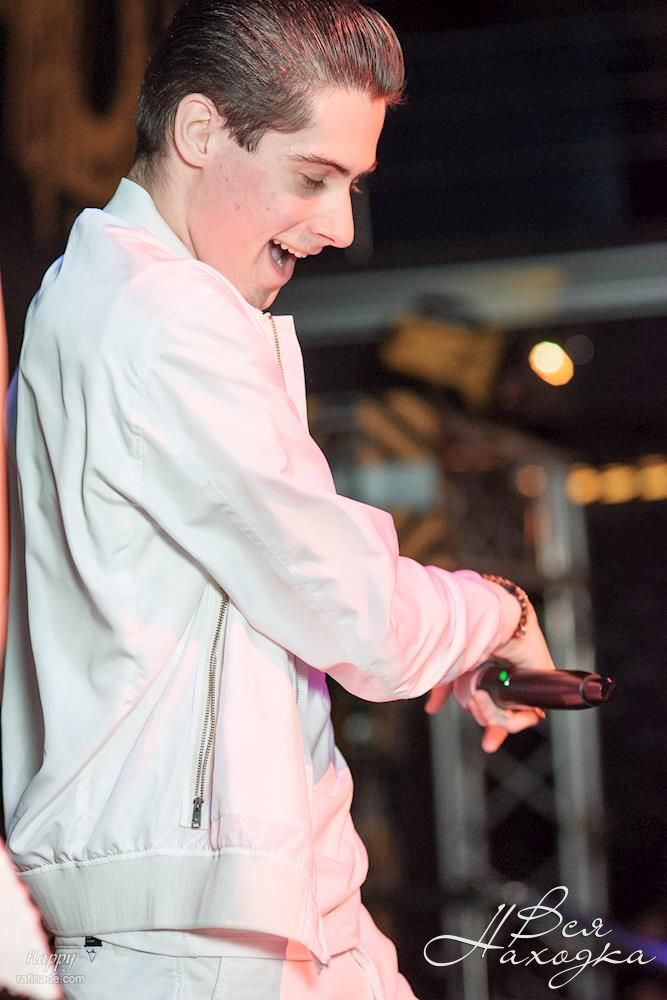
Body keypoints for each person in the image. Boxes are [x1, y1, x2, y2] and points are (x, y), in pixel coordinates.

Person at [1, 2, 556, 997]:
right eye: (312, 177)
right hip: (196, 933)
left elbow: (275, 609)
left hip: (229, 911)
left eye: (351, 185)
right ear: (199, 130)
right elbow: (356, 609)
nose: (339, 225)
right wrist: (497, 613)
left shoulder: (110, 294)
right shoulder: (164, 313)